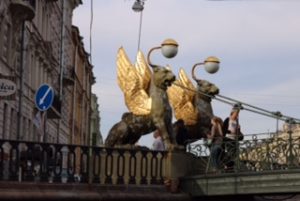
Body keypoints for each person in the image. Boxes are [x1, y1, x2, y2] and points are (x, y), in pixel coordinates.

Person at [222, 105, 243, 170]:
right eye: (236, 114)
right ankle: (226, 165)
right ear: (232, 113)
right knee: (230, 153)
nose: (237, 115)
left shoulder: (237, 122)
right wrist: (229, 132)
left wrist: (239, 129)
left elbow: (238, 134)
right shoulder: (228, 119)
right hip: (228, 139)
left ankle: (229, 167)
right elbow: (223, 129)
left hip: (234, 140)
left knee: (235, 154)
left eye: (238, 114)